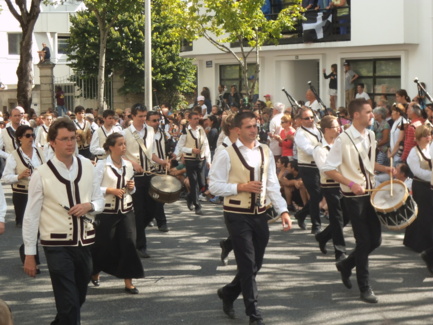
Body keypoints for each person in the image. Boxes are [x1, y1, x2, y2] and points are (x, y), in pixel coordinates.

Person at [209, 111, 291, 325]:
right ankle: (254, 315)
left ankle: (228, 293)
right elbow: (213, 186)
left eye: (255, 126)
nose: (254, 130)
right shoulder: (226, 153)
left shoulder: (265, 150)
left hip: (260, 214)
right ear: (237, 130)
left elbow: (272, 183)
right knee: (246, 265)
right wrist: (240, 187)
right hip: (236, 215)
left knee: (256, 264)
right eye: (248, 127)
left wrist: (283, 210)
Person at [23, 117, 104, 324]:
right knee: (68, 302)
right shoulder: (40, 174)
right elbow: (30, 216)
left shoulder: (88, 165)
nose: (70, 143)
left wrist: (90, 206)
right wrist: (30, 254)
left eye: (72, 138)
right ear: (52, 142)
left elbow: (99, 200)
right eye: (64, 139)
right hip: (56, 245)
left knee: (78, 299)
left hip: (84, 243)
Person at [323, 98, 394, 304]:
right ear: (356, 115)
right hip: (353, 197)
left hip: (371, 194)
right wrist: (351, 183)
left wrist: (385, 169)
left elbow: (368, 163)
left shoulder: (371, 135)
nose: (372, 115)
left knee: (376, 241)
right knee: (364, 242)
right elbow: (328, 168)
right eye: (369, 112)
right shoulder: (342, 139)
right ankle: (364, 287)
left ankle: (346, 265)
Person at [91, 133, 144, 294]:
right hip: (107, 212)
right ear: (111, 147)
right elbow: (92, 189)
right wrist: (110, 190)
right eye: (120, 144)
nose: (124, 147)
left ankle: (129, 281)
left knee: (129, 243)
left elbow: (132, 190)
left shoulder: (128, 165)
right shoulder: (102, 165)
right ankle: (95, 271)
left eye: (124, 144)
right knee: (104, 244)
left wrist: (131, 186)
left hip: (126, 211)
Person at [313, 116, 348, 261]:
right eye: (335, 126)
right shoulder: (319, 149)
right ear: (326, 130)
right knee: (337, 218)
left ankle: (322, 236)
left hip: (344, 184)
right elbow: (325, 169)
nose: (339, 128)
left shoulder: (340, 145)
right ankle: (340, 251)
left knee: (345, 217)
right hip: (330, 185)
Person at [174, 111, 211, 215]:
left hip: (201, 160)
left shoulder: (201, 130)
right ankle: (197, 206)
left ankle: (190, 196)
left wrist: (208, 160)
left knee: (202, 183)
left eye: (197, 118)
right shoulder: (185, 131)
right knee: (194, 182)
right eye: (194, 118)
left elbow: (206, 145)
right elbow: (180, 147)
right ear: (189, 120)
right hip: (190, 160)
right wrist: (191, 150)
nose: (196, 120)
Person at [294, 107, 323, 234]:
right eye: (307, 118)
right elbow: (308, 150)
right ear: (300, 120)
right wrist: (323, 150)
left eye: (312, 117)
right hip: (307, 166)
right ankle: (316, 225)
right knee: (316, 194)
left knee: (320, 194)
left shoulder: (319, 130)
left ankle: (301, 214)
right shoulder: (300, 134)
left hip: (319, 166)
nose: (310, 120)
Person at [404, 125, 432, 253]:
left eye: (430, 135)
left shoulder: (430, 149)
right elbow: (418, 171)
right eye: (425, 135)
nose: (428, 137)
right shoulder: (413, 152)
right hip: (421, 185)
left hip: (430, 185)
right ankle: (419, 243)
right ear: (419, 138)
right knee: (422, 214)